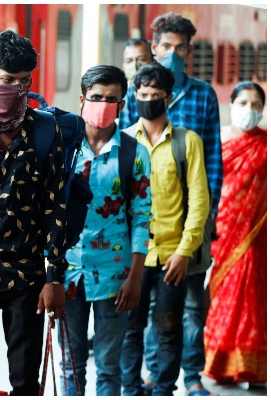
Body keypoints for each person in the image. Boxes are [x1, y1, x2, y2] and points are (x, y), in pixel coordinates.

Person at [119, 13, 222, 396]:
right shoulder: (127, 134)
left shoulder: (194, 122)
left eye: (181, 48)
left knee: (175, 319)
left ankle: (180, 381)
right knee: (133, 323)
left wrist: (195, 237)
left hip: (180, 241)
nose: (173, 53)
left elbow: (208, 174)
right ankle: (138, 384)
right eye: (167, 47)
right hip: (135, 252)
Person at [0, 30, 68, 396]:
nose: (15, 89)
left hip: (27, 275)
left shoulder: (46, 130)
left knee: (26, 380)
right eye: (6, 80)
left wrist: (54, 278)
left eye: (23, 81)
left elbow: (54, 207)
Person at [59, 65, 152, 396]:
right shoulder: (64, 150)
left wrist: (136, 276)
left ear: (122, 105)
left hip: (116, 276)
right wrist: (48, 273)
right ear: (82, 100)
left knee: (110, 369)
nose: (103, 104)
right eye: (96, 97)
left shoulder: (133, 153)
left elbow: (142, 217)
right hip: (67, 272)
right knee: (70, 365)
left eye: (111, 99)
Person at [204, 81, 266, 384]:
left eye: (256, 105)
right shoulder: (217, 140)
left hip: (255, 236)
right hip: (219, 231)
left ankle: (251, 367)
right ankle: (220, 364)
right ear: (231, 105)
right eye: (244, 103)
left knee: (251, 298)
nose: (249, 111)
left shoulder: (265, 145)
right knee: (221, 298)